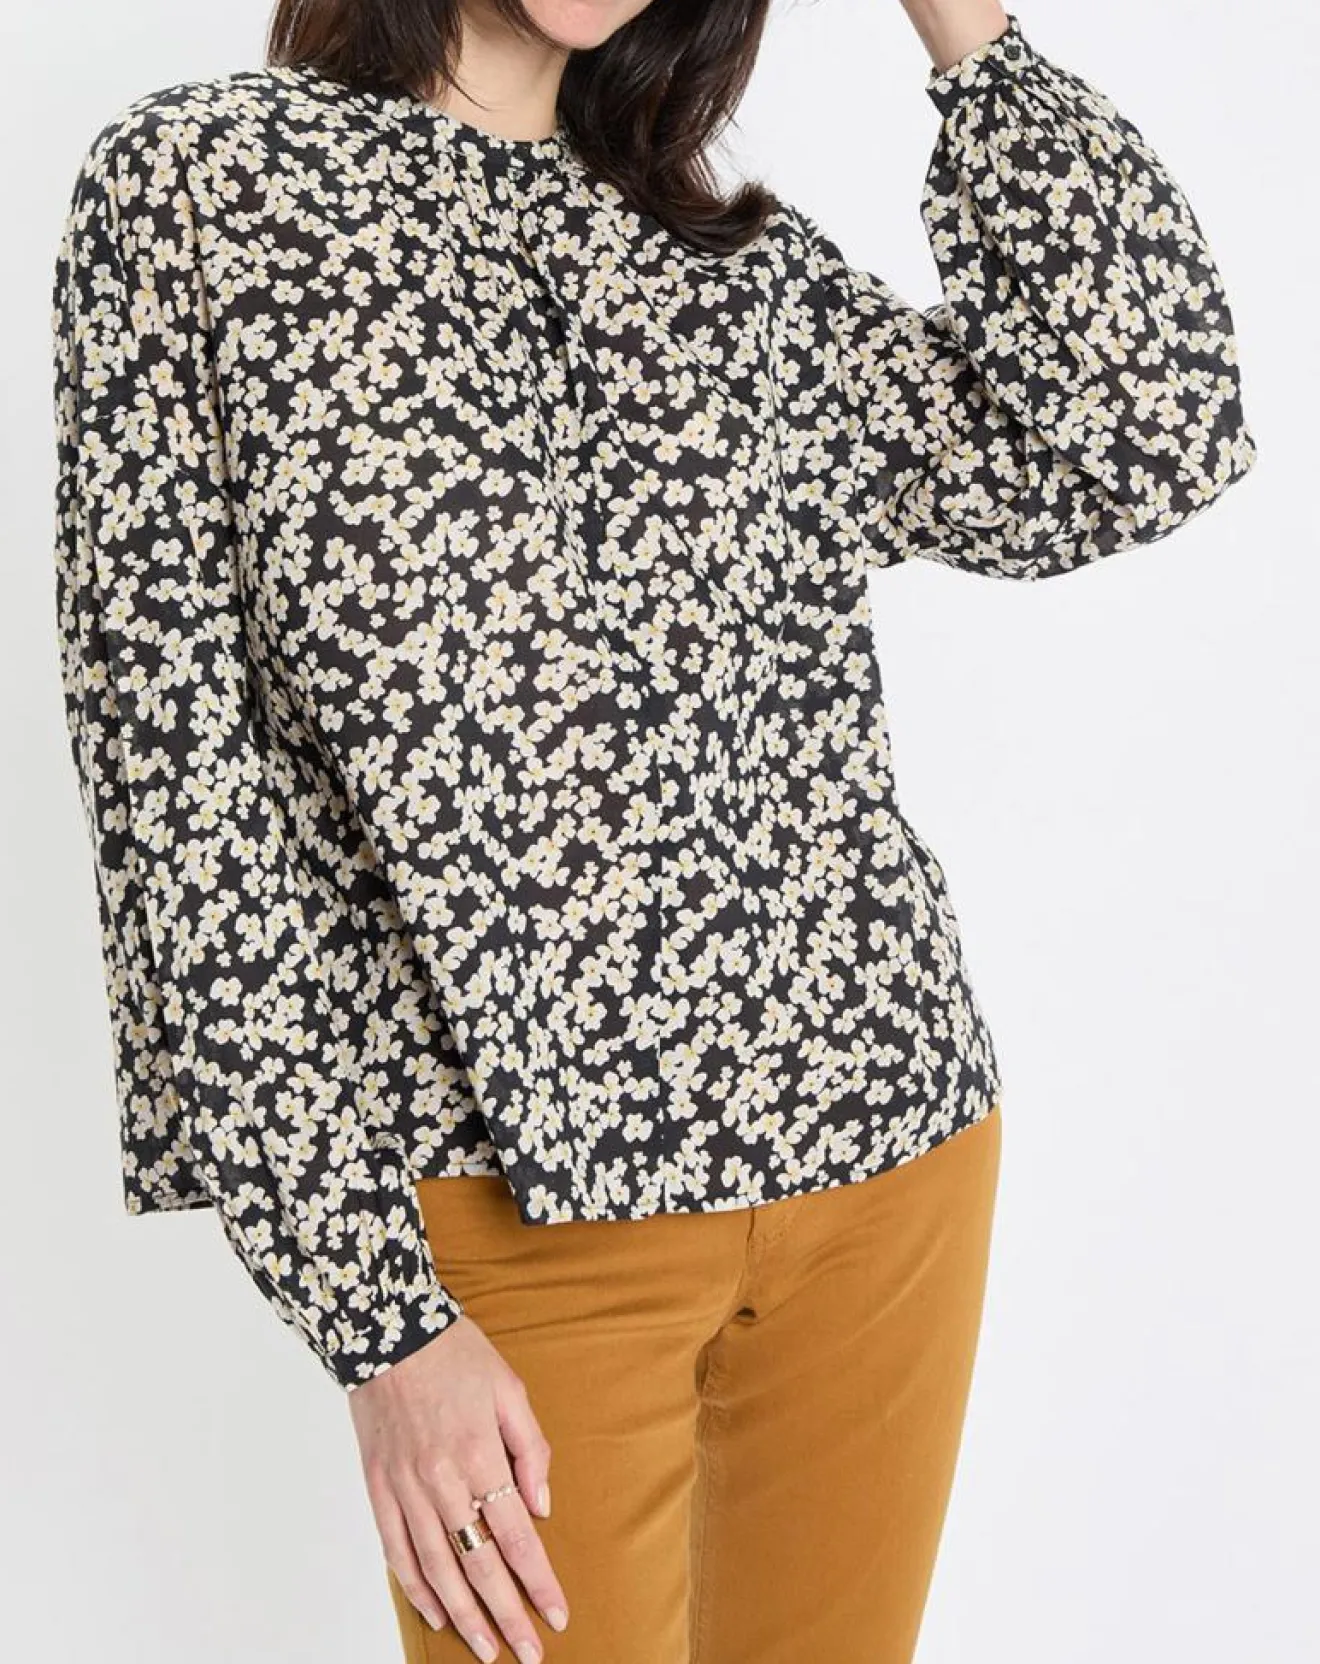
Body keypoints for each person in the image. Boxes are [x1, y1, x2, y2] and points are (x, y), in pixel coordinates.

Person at [49, 0, 1256, 1659]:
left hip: (885, 1161)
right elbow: (173, 785)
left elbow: (1144, 433)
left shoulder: (736, 267)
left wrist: (962, 25)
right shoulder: (209, 186)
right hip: (511, 1216)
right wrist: (375, 1320)